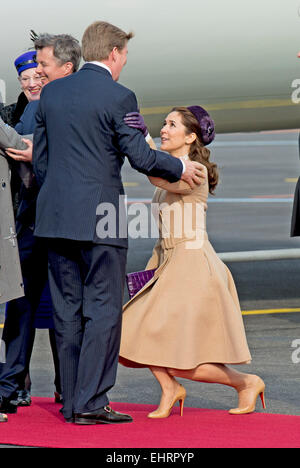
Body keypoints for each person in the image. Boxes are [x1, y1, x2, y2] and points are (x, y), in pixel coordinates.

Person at [32, 20, 205, 425]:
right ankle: (91, 403)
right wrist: (181, 164)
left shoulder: (52, 92)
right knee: (104, 309)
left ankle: (72, 401)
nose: (125, 62)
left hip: (54, 217)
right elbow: (141, 158)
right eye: (125, 55)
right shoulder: (119, 95)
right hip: (101, 219)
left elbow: (41, 159)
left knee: (66, 311)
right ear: (114, 53)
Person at [119, 105, 266, 418]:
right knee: (133, 331)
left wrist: (143, 140)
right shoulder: (175, 166)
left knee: (173, 353)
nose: (165, 129)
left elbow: (158, 179)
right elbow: (160, 175)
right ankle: (171, 388)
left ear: (190, 136)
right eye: (164, 124)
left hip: (192, 263)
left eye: (172, 125)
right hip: (169, 260)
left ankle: (246, 382)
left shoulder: (193, 170)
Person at [0, 35, 81, 418]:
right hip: (28, 222)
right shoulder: (21, 111)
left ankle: (57, 386)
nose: (32, 83)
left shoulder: (55, 107)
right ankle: (18, 383)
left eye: (38, 75)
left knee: (56, 307)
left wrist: (36, 150)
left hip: (52, 219)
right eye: (26, 79)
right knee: (25, 305)